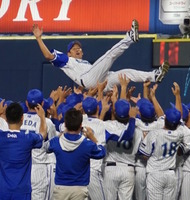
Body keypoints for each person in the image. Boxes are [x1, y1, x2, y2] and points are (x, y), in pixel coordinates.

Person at [32, 20, 169, 92]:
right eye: (74, 49)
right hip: (88, 79)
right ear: (69, 53)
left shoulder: (84, 62)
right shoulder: (67, 60)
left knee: (125, 73)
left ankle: (154, 76)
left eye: (79, 48)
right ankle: (130, 37)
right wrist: (38, 38)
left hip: (98, 81)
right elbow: (49, 56)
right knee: (109, 55)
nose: (78, 50)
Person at [45, 108, 106, 200]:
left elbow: (46, 147)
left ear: (65, 124)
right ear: (81, 125)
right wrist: (93, 138)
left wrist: (60, 134)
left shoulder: (57, 141)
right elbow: (101, 152)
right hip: (79, 188)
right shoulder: (87, 144)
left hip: (61, 187)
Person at [139, 107, 190, 200]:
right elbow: (184, 135)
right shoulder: (179, 134)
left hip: (155, 174)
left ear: (165, 120)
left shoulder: (154, 134)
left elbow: (145, 155)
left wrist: (145, 139)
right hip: (170, 175)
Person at [0, 102, 47, 200]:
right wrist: (42, 117)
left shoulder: (1, 137)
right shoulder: (27, 139)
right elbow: (43, 134)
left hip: (3, 190)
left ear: (6, 118)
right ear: (22, 118)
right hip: (22, 191)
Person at [20, 89, 57, 200]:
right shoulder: (47, 122)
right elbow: (53, 145)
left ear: (26, 103)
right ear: (42, 104)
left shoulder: (19, 118)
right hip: (39, 168)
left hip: (22, 168)